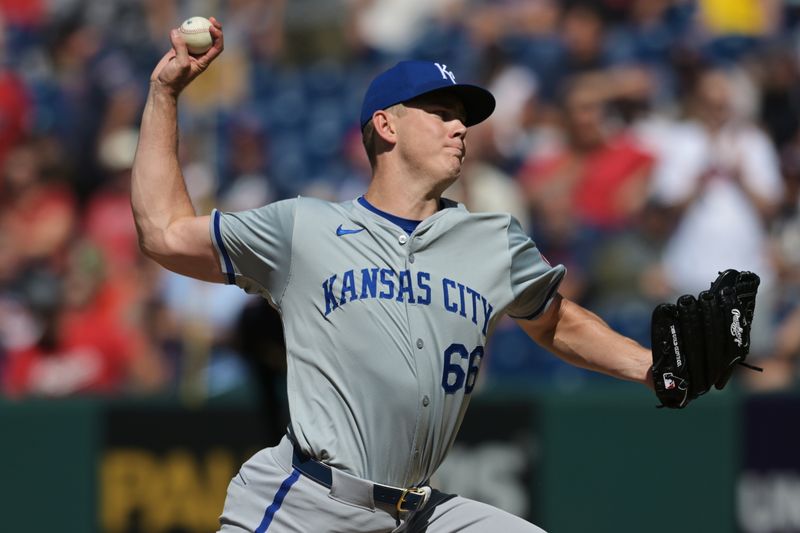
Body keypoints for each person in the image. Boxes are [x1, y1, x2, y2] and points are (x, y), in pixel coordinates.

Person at [132, 19, 655, 533]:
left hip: (416, 513)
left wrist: (648, 367)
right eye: (441, 112)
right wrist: (164, 93)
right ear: (387, 126)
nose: (460, 127)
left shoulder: (495, 240)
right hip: (307, 507)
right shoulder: (305, 228)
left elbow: (555, 322)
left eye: (463, 118)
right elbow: (164, 231)